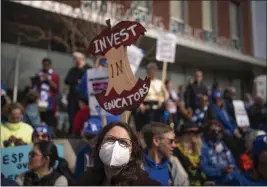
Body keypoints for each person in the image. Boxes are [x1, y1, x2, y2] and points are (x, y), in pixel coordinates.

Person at [75, 121, 161, 186]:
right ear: (99, 146)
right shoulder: (85, 182)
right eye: (110, 140)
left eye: (123, 142)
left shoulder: (147, 184)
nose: (115, 146)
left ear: (132, 153)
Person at [76, 57, 120, 126]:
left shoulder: (90, 74)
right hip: (114, 118)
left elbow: (81, 90)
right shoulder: (117, 75)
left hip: (97, 118)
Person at [200, 120, 243, 185]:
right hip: (218, 181)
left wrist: (237, 173)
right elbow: (204, 169)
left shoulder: (222, 144)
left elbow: (232, 163)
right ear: (207, 132)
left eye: (219, 131)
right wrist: (221, 171)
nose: (217, 133)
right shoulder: (204, 148)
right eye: (213, 131)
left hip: (233, 178)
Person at [174, 121, 212, 186]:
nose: (197, 136)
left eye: (197, 133)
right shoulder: (177, 151)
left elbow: (201, 170)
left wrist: (205, 181)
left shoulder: (197, 150)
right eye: (194, 133)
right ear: (186, 135)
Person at [135, 62, 168, 131]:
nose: (152, 71)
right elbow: (137, 96)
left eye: (153, 70)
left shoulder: (160, 83)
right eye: (150, 70)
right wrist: (141, 105)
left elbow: (166, 95)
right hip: (146, 106)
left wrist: (162, 101)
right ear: (147, 71)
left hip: (158, 105)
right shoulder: (142, 83)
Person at [65, 52, 91, 132]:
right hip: (73, 98)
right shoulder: (73, 70)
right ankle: (73, 131)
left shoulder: (88, 69)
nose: (75, 61)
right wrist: (77, 81)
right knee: (72, 116)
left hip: (84, 99)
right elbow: (67, 80)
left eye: (77, 59)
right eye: (74, 59)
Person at [33, 58, 59, 128]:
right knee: (41, 118)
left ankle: (48, 134)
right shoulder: (39, 74)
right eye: (44, 65)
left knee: (49, 119)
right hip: (41, 100)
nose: (45, 66)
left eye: (47, 65)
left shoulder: (54, 74)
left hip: (50, 100)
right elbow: (35, 86)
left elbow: (56, 89)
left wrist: (48, 80)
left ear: (50, 65)